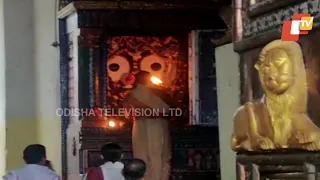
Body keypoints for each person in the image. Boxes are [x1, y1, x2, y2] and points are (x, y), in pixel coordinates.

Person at [123, 71, 172, 180]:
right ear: (149, 79)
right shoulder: (161, 93)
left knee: (141, 155)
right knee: (160, 157)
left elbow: (127, 114)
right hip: (159, 125)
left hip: (140, 126)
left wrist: (140, 112)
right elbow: (170, 111)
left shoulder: (131, 95)